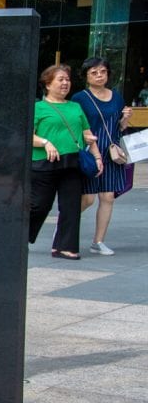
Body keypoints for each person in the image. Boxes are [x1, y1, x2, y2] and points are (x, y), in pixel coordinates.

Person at [30, 64, 102, 261]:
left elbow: (87, 135)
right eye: (60, 79)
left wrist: (97, 157)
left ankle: (65, 247)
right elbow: (28, 136)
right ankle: (19, 235)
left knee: (71, 207)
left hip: (71, 163)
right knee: (39, 206)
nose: (65, 83)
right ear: (47, 84)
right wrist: (45, 142)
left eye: (67, 80)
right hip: (44, 163)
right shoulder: (38, 107)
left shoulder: (75, 107)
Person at [73, 57, 133, 256]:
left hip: (112, 152)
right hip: (90, 152)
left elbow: (119, 127)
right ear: (86, 76)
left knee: (108, 197)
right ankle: (66, 226)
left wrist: (125, 118)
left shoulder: (116, 97)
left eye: (103, 72)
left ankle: (98, 241)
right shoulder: (80, 98)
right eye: (94, 73)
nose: (99, 76)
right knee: (87, 199)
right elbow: (76, 126)